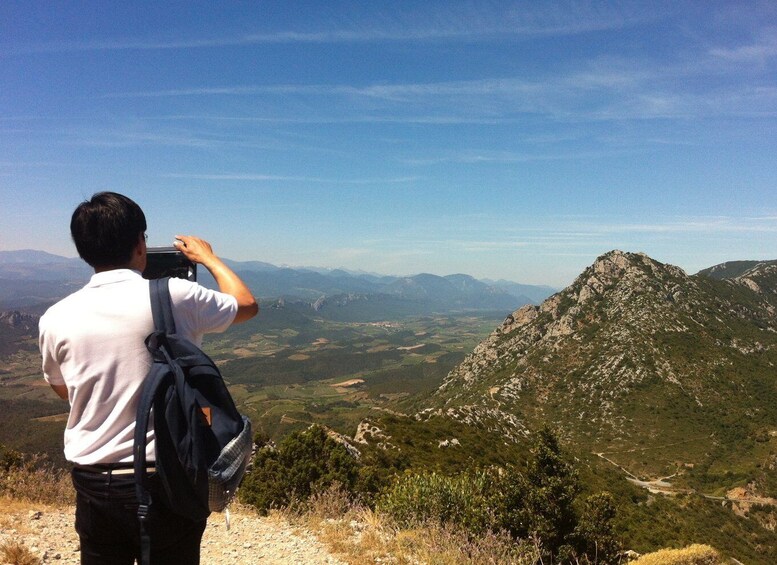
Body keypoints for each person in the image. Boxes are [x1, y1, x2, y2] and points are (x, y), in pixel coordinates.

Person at [38, 192, 258, 564]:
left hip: (94, 480)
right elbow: (247, 305)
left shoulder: (55, 318)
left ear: (83, 251)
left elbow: (65, 391)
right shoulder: (176, 295)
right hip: (167, 478)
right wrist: (207, 258)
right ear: (140, 242)